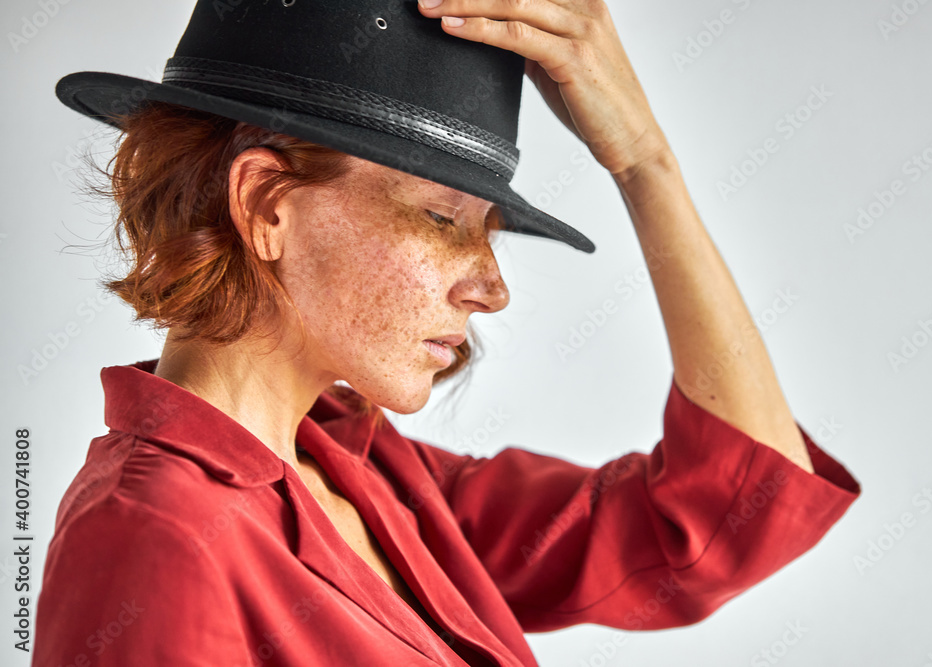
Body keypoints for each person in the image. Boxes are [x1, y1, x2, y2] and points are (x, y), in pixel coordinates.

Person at [33, 1, 861, 665]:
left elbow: (732, 508)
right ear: (266, 204)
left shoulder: (376, 478)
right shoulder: (153, 536)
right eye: (441, 217)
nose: (494, 289)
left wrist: (645, 162)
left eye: (488, 229)